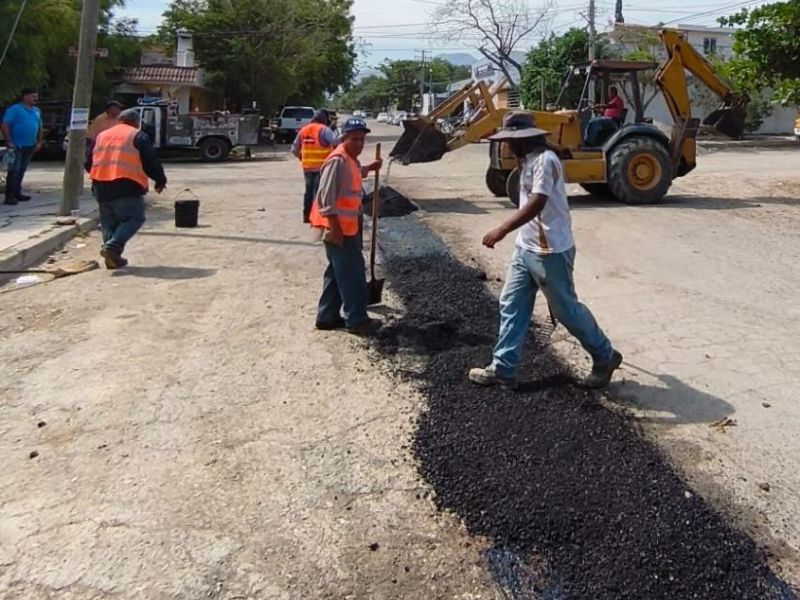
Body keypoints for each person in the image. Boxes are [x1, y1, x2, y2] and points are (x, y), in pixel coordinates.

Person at [469, 111, 622, 389]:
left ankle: (605, 356)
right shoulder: (528, 160)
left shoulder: (546, 160)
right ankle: (504, 368)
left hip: (549, 251)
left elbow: (538, 202)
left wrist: (502, 229)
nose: (506, 145)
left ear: (522, 139)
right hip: (525, 248)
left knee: (567, 311)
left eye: (508, 141)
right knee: (511, 304)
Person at [309, 117, 382, 335]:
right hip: (338, 228)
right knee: (352, 274)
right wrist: (334, 228)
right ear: (343, 138)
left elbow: (355, 174)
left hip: (347, 226)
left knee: (336, 271)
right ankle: (357, 320)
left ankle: (327, 316)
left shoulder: (350, 160)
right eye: (354, 139)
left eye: (362, 140)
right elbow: (326, 197)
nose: (359, 144)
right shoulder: (337, 160)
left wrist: (370, 167)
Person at [86, 108, 167, 269]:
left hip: (101, 185)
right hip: (127, 184)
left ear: (119, 120)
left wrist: (99, 173)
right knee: (134, 218)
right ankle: (112, 247)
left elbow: (88, 161)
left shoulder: (102, 136)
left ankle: (112, 256)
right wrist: (160, 180)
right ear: (136, 123)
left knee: (109, 223)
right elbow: (151, 161)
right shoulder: (137, 135)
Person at [292, 109, 338, 223]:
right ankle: (316, 217)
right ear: (324, 119)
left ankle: (306, 216)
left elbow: (294, 149)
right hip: (321, 167)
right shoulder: (325, 130)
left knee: (308, 191)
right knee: (318, 192)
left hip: (307, 167)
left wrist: (301, 157)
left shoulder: (304, 130)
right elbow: (336, 142)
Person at [1, 88, 43, 205]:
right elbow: (5, 125)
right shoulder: (15, 109)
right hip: (17, 145)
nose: (36, 99)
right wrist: (9, 141)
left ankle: (17, 193)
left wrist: (39, 142)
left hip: (30, 145)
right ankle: (10, 196)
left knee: (22, 170)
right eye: (33, 96)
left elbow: (39, 127)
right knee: (14, 171)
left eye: (36, 96)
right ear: (25, 97)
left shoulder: (36, 111)